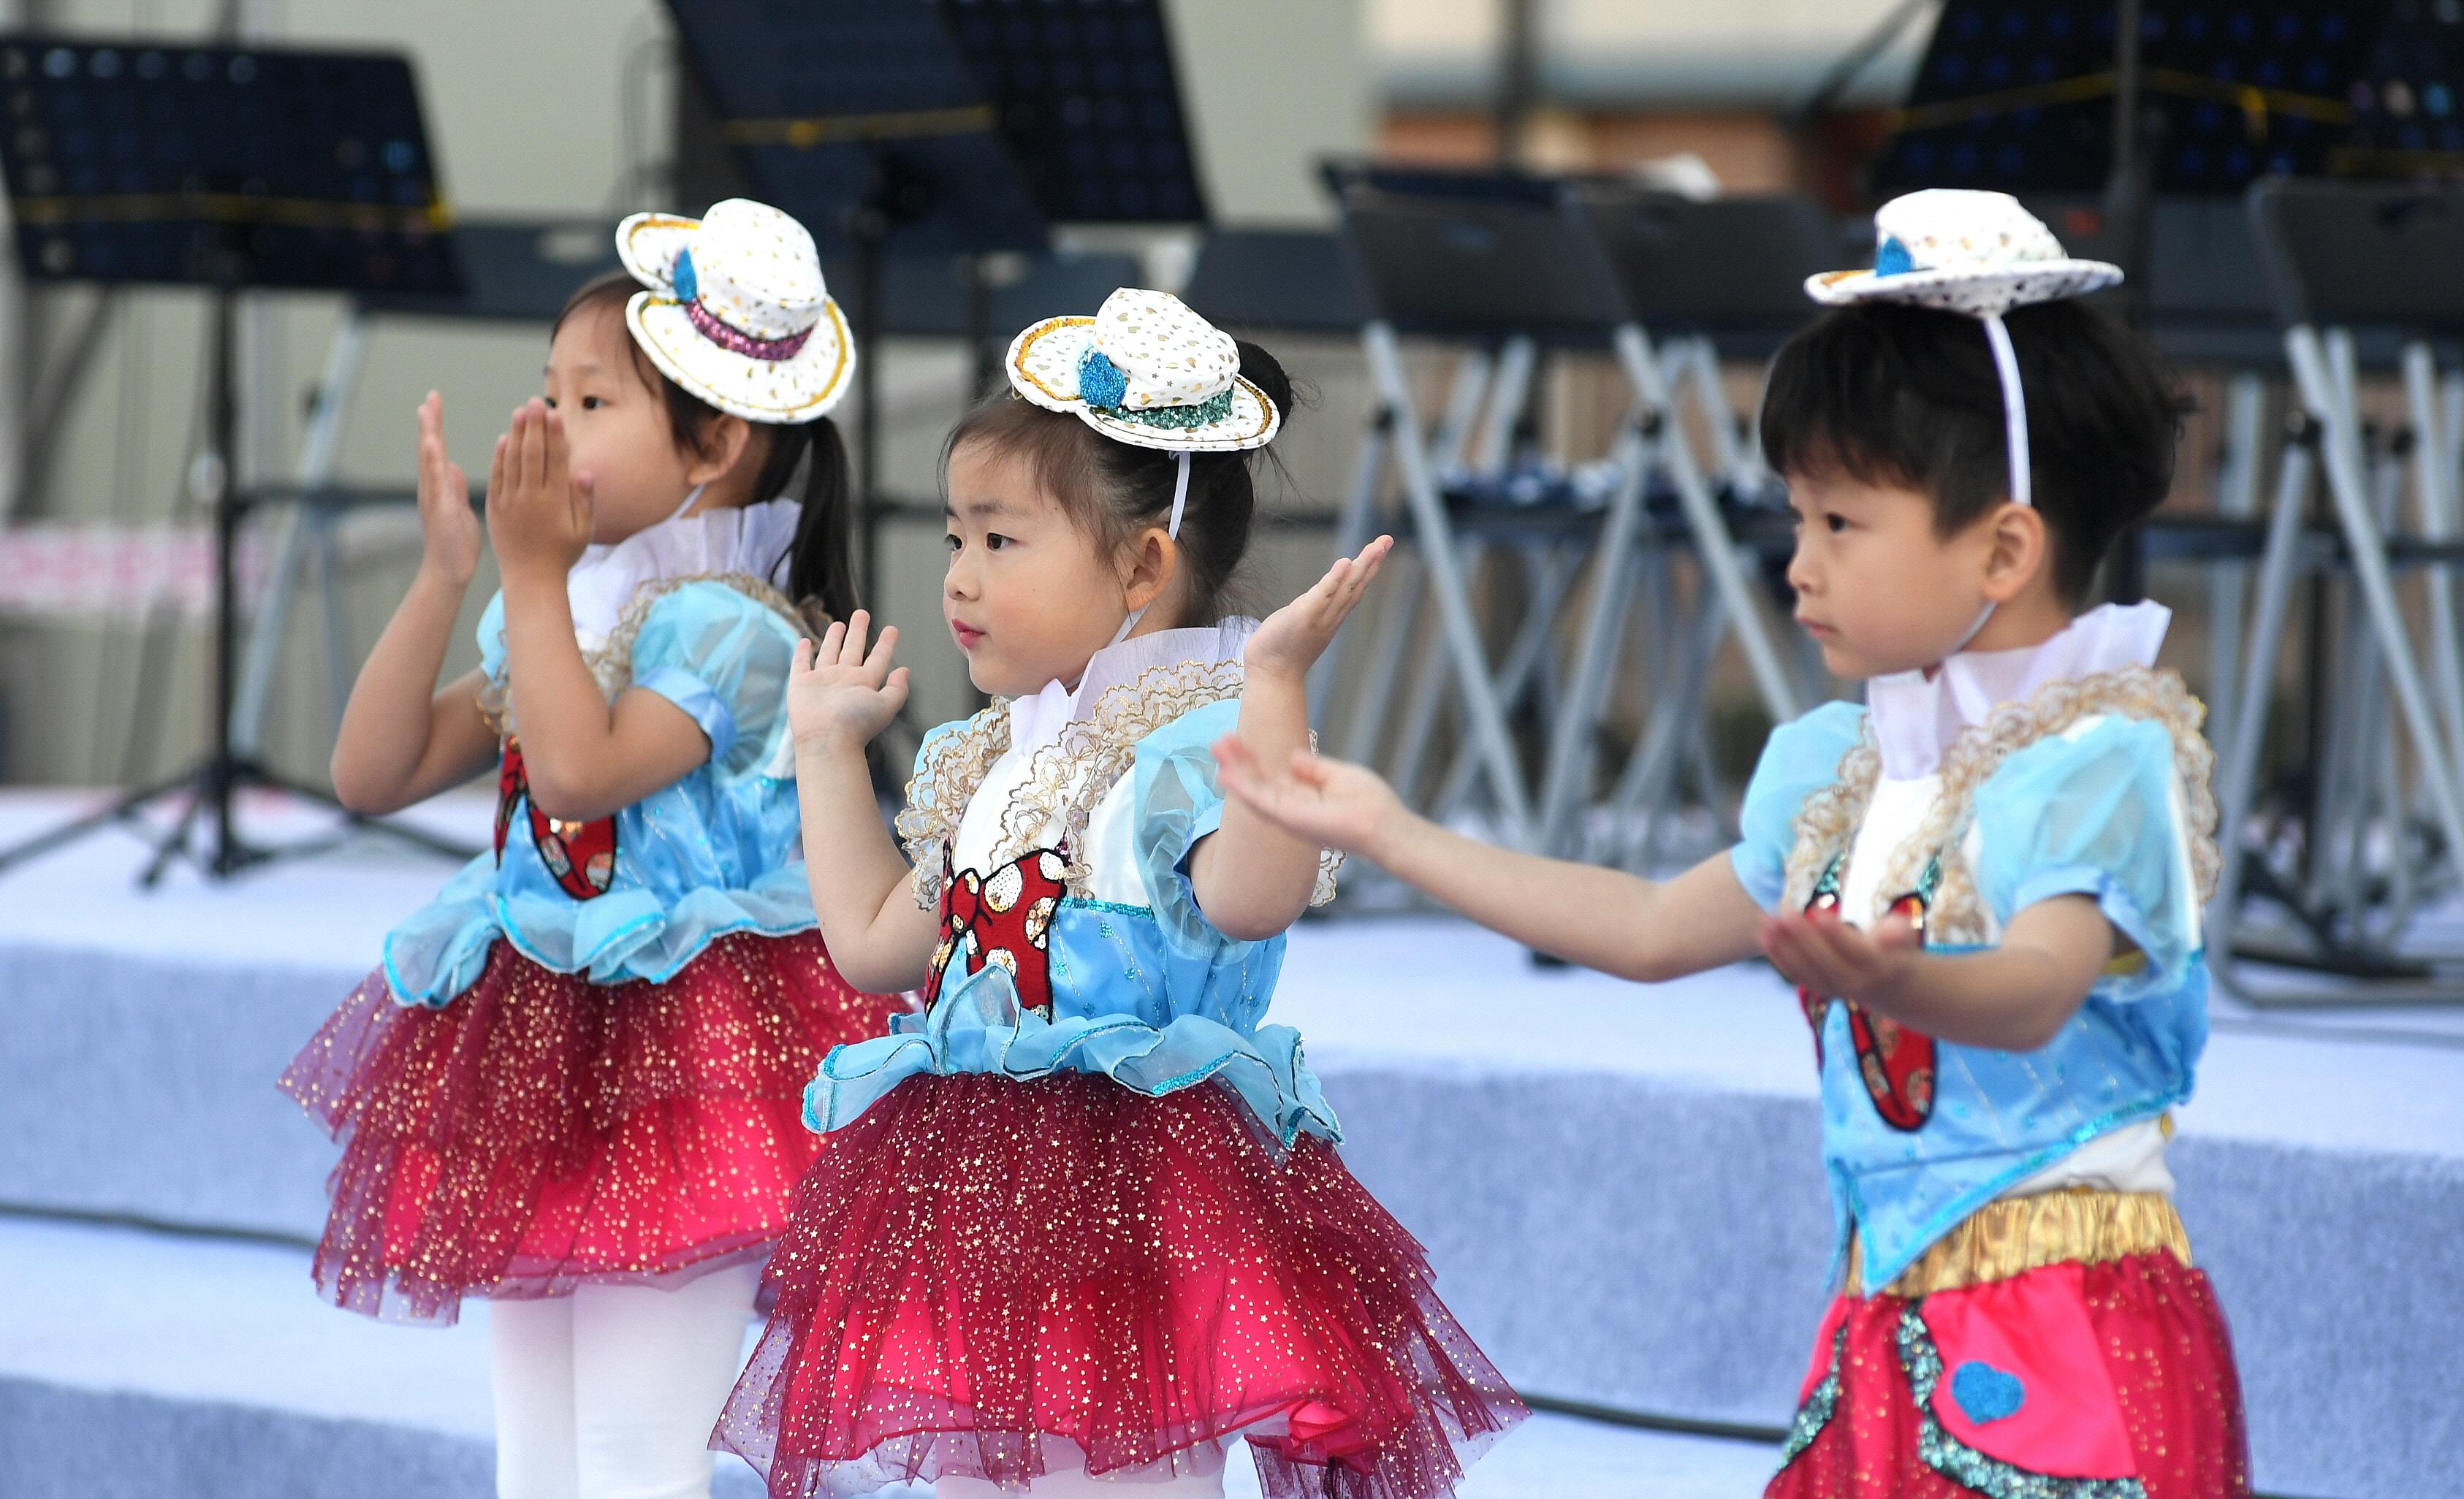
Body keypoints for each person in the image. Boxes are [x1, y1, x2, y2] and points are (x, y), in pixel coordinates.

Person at [1214, 191, 2251, 1499]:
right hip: (1887, 1313)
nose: (1796, 566)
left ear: (2002, 546)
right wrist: (1396, 832)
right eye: (1796, 519)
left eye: (1839, 524)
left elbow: (2041, 983)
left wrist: (1901, 981)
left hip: (2071, 1323)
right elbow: (1649, 931)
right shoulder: (1845, 769)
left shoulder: (2103, 754)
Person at [715, 289, 1527, 1499]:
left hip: (1135, 1193)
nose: (961, 577)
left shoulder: (1200, 735)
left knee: (1122, 1476)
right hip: (975, 1187)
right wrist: (830, 752)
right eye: (953, 541)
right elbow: (880, 947)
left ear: (1145, 563)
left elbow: (1254, 900)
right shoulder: (994, 752)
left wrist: (1273, 700)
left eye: (1001, 541)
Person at [280, 199, 906, 1499]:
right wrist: (452, 573)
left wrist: (524, 581)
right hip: (540, 1046)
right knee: (540, 1456)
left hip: (693, 1064)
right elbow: (374, 771)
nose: (548, 427)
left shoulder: (734, 627)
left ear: (717, 441)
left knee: (633, 1451)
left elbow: (581, 768)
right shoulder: (559, 606)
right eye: (546, 394)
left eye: (591, 402)